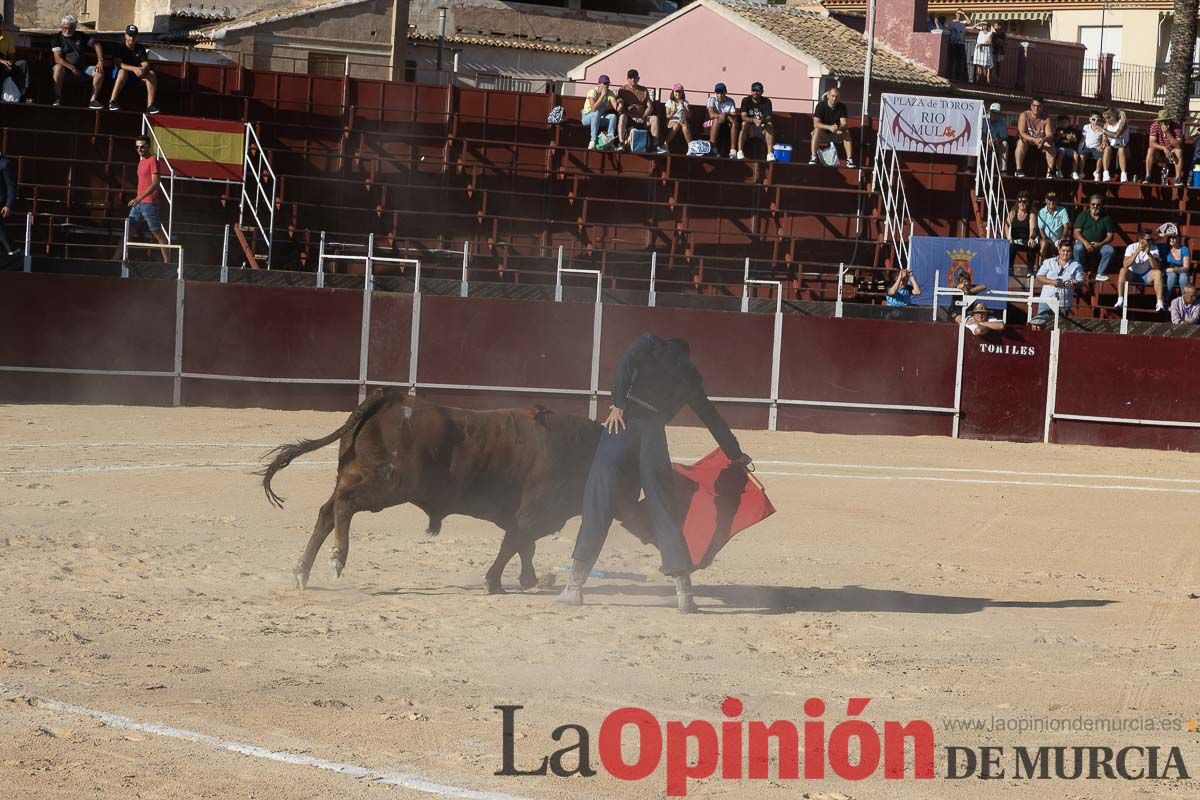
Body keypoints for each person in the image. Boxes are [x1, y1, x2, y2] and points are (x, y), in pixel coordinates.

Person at [555, 334, 752, 614]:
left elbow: (624, 363)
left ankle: (573, 588)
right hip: (653, 436)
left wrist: (618, 403)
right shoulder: (690, 376)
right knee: (663, 509)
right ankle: (684, 594)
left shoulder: (649, 344)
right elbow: (712, 418)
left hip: (621, 426)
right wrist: (735, 453)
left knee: (599, 502)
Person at [127, 135, 170, 263]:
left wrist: (138, 198)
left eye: (142, 146)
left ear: (148, 146)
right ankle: (117, 259)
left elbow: (155, 183)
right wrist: (138, 199)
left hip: (148, 203)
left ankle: (168, 262)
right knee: (128, 230)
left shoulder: (152, 161)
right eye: (137, 147)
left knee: (157, 233)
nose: (139, 149)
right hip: (139, 203)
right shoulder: (141, 162)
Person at [50, 15, 105, 109]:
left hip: (82, 69)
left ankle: (93, 100)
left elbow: (96, 44)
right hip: (65, 71)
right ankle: (57, 99)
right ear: (62, 26)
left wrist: (100, 60)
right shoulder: (57, 38)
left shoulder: (81, 36)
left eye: (70, 28)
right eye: (65, 28)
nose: (67, 30)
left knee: (99, 71)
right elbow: (58, 59)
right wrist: (73, 68)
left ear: (75, 27)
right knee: (58, 68)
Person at [1030, 239, 1084, 328]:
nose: (1065, 253)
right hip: (1046, 300)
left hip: (1064, 303)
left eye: (1068, 251)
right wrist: (1052, 282)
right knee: (1039, 324)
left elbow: (1081, 282)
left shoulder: (1076, 266)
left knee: (1060, 327)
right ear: (1059, 250)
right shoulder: (1048, 262)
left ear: (1072, 251)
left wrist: (1075, 283)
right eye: (1063, 251)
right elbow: (1039, 277)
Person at [109, 25, 159, 114]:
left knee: (151, 73)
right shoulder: (119, 46)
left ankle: (150, 106)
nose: (132, 38)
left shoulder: (140, 48)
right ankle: (112, 102)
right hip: (118, 75)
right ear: (125, 35)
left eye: (134, 36)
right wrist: (134, 69)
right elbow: (118, 63)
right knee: (122, 72)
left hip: (135, 76)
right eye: (130, 35)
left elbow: (145, 63)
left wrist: (143, 69)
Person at [1114, 229, 1164, 312]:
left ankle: (1159, 302)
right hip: (1132, 274)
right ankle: (1120, 299)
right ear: (1141, 240)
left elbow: (1156, 267)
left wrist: (1149, 254)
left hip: (1146, 275)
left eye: (1151, 240)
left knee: (1158, 273)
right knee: (1123, 270)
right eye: (1148, 240)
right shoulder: (1131, 247)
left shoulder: (1154, 248)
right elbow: (1125, 264)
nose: (1150, 242)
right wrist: (1136, 252)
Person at [616, 69, 664, 154]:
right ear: (627, 79)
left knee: (655, 118)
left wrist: (643, 117)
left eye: (634, 77)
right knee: (622, 116)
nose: (633, 80)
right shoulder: (622, 90)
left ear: (638, 78)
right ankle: (621, 143)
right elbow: (621, 108)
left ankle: (655, 146)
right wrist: (632, 116)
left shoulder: (644, 90)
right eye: (630, 78)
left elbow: (650, 107)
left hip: (642, 118)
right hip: (629, 118)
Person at [1072, 193, 1116, 280]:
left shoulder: (1106, 218)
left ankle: (1100, 273)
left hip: (1100, 245)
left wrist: (1100, 244)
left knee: (1109, 250)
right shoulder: (1083, 215)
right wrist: (1086, 243)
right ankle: (1080, 271)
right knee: (1078, 248)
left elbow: (1110, 236)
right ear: (1089, 204)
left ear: (1101, 205)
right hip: (1084, 244)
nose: (1095, 206)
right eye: (1093, 204)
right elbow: (1076, 233)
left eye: (1098, 205)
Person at [810, 86, 854, 167]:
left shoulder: (842, 107)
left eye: (836, 97)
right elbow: (815, 123)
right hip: (822, 134)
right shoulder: (820, 105)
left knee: (846, 132)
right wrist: (829, 127)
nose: (834, 99)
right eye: (833, 96)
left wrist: (839, 128)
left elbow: (844, 123)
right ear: (828, 96)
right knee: (817, 129)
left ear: (839, 97)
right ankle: (813, 157)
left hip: (836, 133)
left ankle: (849, 159)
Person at [1014, 97, 1053, 177]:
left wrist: (1043, 139)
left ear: (1042, 107)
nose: (1036, 108)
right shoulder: (1024, 115)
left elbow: (1050, 134)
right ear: (1031, 106)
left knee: (1051, 145)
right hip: (1027, 141)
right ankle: (1018, 170)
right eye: (1034, 105)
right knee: (1021, 142)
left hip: (1040, 142)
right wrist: (1034, 139)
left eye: (1039, 106)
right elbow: (1022, 133)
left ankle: (1050, 172)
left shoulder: (1046, 118)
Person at [1145, 109, 1185, 186]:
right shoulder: (1155, 125)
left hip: (1172, 153)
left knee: (1179, 151)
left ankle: (1178, 178)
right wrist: (1163, 148)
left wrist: (1168, 133)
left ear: (1169, 120)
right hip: (1160, 152)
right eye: (1161, 121)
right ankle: (1148, 177)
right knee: (1150, 149)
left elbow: (1178, 145)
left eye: (1165, 121)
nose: (1163, 123)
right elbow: (1151, 143)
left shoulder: (1176, 127)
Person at [737, 81, 775, 161]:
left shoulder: (767, 102)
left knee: (770, 124)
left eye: (758, 91)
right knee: (744, 124)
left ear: (762, 92)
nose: (755, 92)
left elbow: (769, 117)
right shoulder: (746, 100)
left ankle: (770, 154)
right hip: (749, 128)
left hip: (762, 127)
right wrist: (753, 120)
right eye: (753, 90)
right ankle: (740, 152)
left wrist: (762, 121)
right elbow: (743, 116)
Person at [1006, 191, 1040, 275]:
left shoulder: (1031, 214)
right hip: (1015, 240)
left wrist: (1031, 238)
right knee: (1010, 245)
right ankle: (1010, 269)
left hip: (1026, 239)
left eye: (1024, 201)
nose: (1021, 203)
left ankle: (1030, 270)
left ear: (1028, 202)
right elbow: (1006, 225)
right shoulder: (1013, 212)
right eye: (1019, 201)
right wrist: (1008, 237)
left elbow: (1033, 228)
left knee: (1032, 245)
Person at [0, 12, 31, 103]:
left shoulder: (6, 36)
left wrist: (9, 63)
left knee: (23, 63)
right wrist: (2, 62)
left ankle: (22, 93)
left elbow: (11, 55)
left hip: (5, 61)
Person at [581, 74, 617, 151]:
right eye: (604, 83)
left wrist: (620, 102)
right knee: (596, 113)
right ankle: (592, 140)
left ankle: (610, 140)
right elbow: (593, 108)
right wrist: (602, 95)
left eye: (608, 83)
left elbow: (616, 107)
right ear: (599, 84)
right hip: (587, 117)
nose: (606, 86)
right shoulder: (592, 92)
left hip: (599, 118)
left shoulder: (610, 93)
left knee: (613, 116)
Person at [705, 83, 739, 158]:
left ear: (725, 92)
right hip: (710, 123)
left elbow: (733, 115)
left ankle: (733, 150)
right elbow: (711, 115)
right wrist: (723, 115)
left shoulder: (730, 100)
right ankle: (712, 148)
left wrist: (725, 114)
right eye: (717, 92)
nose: (719, 95)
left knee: (734, 123)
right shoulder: (711, 99)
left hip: (725, 123)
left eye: (722, 92)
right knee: (716, 120)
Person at [1158, 229, 1191, 300]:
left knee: (1184, 277)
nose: (1171, 240)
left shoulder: (1184, 249)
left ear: (1179, 238)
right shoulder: (1164, 247)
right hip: (1167, 273)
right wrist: (1160, 237)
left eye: (1174, 238)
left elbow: (1186, 267)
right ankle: (1165, 299)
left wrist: (1174, 269)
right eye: (1170, 238)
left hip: (1179, 271)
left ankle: (1185, 300)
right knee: (1172, 275)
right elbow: (1150, 243)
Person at [1037, 192, 1071, 260]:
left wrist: (1063, 237)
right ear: (1046, 200)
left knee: (1064, 245)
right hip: (1046, 239)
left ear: (1057, 201)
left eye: (1054, 200)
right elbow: (1041, 230)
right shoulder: (1041, 212)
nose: (1052, 202)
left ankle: (1063, 266)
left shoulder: (1062, 210)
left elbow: (1066, 226)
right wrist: (1046, 239)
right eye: (1049, 200)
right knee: (1044, 244)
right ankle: (1040, 266)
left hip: (1059, 239)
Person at [1101, 107, 1129, 183]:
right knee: (1107, 149)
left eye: (1108, 118)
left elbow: (1116, 135)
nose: (1106, 120)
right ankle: (1106, 173)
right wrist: (1104, 142)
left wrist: (1102, 130)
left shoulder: (1122, 123)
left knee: (1121, 149)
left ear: (1113, 116)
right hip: (1112, 145)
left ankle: (1123, 174)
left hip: (1123, 145)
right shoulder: (1106, 125)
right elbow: (1104, 137)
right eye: (1105, 118)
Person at [662, 83, 693, 153]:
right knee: (676, 124)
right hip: (672, 121)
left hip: (682, 120)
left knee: (685, 125)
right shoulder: (669, 102)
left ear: (682, 93)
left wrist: (684, 107)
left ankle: (691, 147)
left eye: (680, 92)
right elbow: (667, 116)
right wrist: (673, 112)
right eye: (676, 91)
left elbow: (689, 115)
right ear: (673, 92)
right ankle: (665, 144)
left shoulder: (685, 102)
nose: (678, 93)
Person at [1078, 112, 1107, 181]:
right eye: (1094, 119)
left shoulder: (1102, 129)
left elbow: (1103, 140)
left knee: (1101, 156)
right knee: (1082, 156)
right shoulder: (1086, 127)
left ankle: (1097, 173)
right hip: (1086, 147)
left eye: (1098, 119)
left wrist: (1101, 146)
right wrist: (1080, 147)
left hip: (1096, 148)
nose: (1095, 121)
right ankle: (1081, 173)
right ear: (1090, 119)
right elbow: (1083, 138)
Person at [1052, 114, 1082, 179]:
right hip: (1059, 148)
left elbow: (1075, 139)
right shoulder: (1057, 130)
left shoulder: (1071, 130)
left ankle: (1074, 172)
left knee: (1076, 154)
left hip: (1069, 148)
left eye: (1065, 122)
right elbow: (1055, 141)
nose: (1064, 124)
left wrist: (1073, 138)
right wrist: (1059, 135)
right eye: (1062, 122)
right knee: (1061, 151)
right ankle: (1058, 170)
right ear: (1059, 123)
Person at [0, 149, 18, 256]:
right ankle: (12, 249)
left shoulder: (5, 164)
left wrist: (8, 205)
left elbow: (11, 187)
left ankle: (12, 249)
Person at [983, 102, 1009, 172]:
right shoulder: (983, 119)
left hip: (996, 142)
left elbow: (1003, 136)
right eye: (992, 112)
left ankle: (1003, 170)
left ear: (999, 114)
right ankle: (969, 167)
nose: (994, 114)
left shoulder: (1003, 121)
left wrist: (995, 141)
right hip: (983, 142)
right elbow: (979, 134)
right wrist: (987, 140)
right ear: (989, 112)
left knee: (1005, 144)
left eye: (996, 112)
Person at [970, 17, 994, 85]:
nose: (984, 26)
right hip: (978, 50)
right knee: (978, 66)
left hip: (985, 51)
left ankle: (985, 81)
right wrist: (980, 23)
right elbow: (972, 28)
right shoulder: (980, 32)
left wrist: (982, 44)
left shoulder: (990, 33)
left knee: (985, 67)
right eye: (983, 25)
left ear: (988, 26)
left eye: (985, 24)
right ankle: (978, 81)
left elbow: (989, 42)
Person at [947, 11, 969, 81]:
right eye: (958, 13)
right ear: (955, 14)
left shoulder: (963, 22)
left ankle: (958, 76)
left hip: (961, 44)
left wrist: (964, 14)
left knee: (960, 61)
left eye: (960, 14)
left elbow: (969, 22)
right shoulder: (952, 23)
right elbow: (948, 32)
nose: (959, 15)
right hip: (953, 43)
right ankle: (951, 75)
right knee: (953, 60)